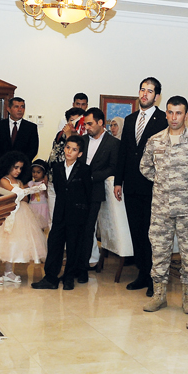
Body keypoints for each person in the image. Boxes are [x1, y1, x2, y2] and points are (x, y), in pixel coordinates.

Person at [140, 96, 188, 313]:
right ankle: (159, 295)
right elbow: (145, 167)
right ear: (166, 113)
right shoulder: (155, 140)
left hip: (187, 208)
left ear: (186, 115)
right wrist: (163, 182)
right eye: (171, 112)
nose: (174, 117)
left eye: (179, 113)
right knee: (159, 251)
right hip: (161, 208)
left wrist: (184, 187)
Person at [114, 78, 168, 296]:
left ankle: (156, 279)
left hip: (153, 186)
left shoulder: (163, 120)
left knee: (152, 234)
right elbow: (124, 153)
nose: (145, 94)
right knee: (136, 231)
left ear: (157, 96)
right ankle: (142, 274)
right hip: (131, 185)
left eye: (150, 91)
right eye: (142, 90)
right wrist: (118, 181)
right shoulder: (130, 119)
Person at [32, 136, 93, 291]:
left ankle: (69, 277)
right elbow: (58, 189)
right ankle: (50, 278)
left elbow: (88, 194)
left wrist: (83, 214)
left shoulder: (85, 170)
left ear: (80, 153)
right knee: (54, 244)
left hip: (77, 215)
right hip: (60, 213)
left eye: (74, 149)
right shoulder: (57, 168)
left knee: (73, 246)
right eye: (67, 147)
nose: (69, 151)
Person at [0, 152, 47, 285]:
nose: (18, 171)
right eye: (16, 167)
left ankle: (8, 271)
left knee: (13, 243)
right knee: (1, 242)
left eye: (20, 168)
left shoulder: (19, 182)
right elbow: (15, 193)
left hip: (19, 213)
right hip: (5, 214)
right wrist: (30, 190)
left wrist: (26, 192)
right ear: (8, 166)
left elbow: (24, 198)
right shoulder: (4, 181)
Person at [79, 107, 120, 281]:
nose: (87, 127)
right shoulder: (81, 140)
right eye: (85, 124)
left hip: (95, 190)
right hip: (77, 189)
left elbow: (113, 167)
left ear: (101, 122)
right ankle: (74, 263)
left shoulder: (113, 143)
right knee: (76, 227)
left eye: (90, 124)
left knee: (88, 229)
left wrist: (93, 176)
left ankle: (83, 266)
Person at [0, 96, 39, 164]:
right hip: (1, 165)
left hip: (22, 166)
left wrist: (19, 164)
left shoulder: (31, 128)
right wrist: (5, 163)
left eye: (22, 107)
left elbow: (33, 150)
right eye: (16, 107)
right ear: (8, 109)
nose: (20, 110)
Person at [27, 159, 51, 230]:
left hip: (42, 207)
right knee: (33, 226)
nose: (35, 174)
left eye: (38, 172)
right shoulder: (31, 183)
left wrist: (45, 186)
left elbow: (47, 195)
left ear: (43, 173)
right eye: (33, 172)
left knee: (41, 226)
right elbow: (23, 189)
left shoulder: (44, 183)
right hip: (32, 206)